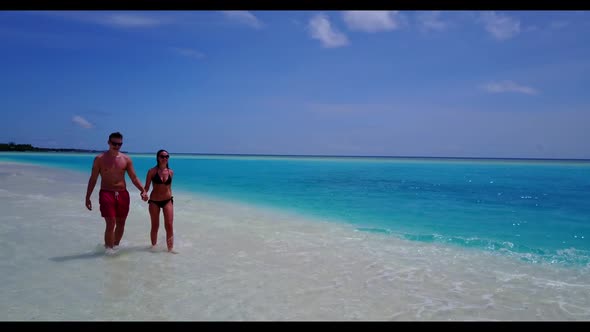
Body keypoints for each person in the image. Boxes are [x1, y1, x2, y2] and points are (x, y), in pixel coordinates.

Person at [85, 132, 148, 255]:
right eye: (114, 143)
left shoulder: (126, 159)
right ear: (108, 142)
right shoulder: (100, 159)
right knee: (111, 222)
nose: (117, 146)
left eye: (119, 144)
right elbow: (93, 179)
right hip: (106, 193)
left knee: (121, 223)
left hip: (123, 194)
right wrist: (87, 197)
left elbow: (134, 177)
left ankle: (115, 247)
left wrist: (143, 190)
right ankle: (108, 251)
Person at [144, 149, 177, 253]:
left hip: (167, 200)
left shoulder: (171, 172)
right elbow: (146, 187)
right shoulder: (152, 171)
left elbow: (169, 187)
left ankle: (170, 250)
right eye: (162, 156)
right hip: (154, 201)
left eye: (167, 156)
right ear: (158, 158)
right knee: (155, 225)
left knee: (169, 225)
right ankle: (153, 247)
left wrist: (170, 198)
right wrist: (144, 193)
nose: (165, 158)